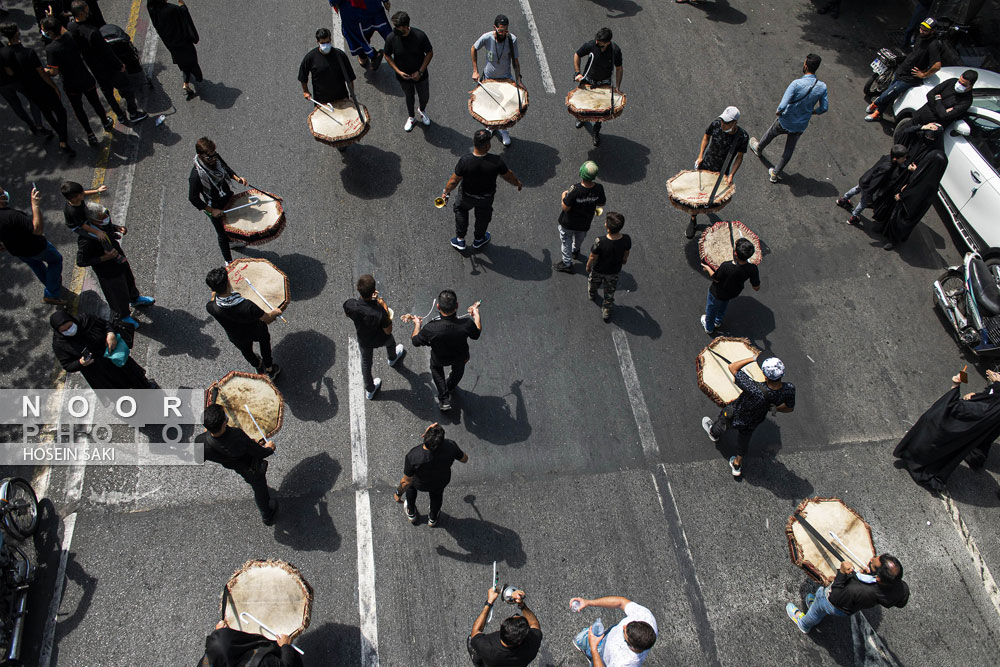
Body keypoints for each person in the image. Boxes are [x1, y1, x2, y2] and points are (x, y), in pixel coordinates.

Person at [893, 370, 1000, 491]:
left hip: (939, 439)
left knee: (932, 426)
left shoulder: (982, 409)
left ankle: (915, 458)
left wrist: (956, 386)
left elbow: (953, 409)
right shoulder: (993, 407)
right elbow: (990, 397)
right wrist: (979, 393)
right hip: (977, 424)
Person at [64, 181, 151, 328]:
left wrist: (117, 228)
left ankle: (134, 298)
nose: (106, 222)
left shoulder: (101, 224)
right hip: (108, 272)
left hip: (119, 259)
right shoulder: (87, 240)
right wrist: (105, 257)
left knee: (129, 279)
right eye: (102, 220)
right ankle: (123, 316)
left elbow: (107, 226)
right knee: (117, 294)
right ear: (93, 223)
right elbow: (81, 261)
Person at [702, 355, 795, 478]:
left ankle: (713, 433)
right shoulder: (789, 389)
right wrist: (775, 408)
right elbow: (789, 408)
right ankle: (737, 464)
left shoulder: (754, 388)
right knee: (745, 439)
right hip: (755, 420)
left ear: (766, 376)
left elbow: (733, 367)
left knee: (722, 423)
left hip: (736, 414)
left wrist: (753, 358)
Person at [749, 53, 828, 183]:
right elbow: (824, 108)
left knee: (770, 134)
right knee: (789, 149)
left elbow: (783, 105)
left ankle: (758, 148)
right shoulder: (822, 87)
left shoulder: (796, 84)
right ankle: (775, 173)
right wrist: (811, 112)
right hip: (800, 125)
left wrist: (779, 111)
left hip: (786, 120)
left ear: (805, 65)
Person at [195, 404, 278, 525]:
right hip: (249, 465)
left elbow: (199, 459)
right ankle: (267, 515)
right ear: (224, 423)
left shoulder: (200, 440)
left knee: (249, 479)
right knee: (259, 488)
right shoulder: (237, 436)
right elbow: (259, 452)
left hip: (234, 465)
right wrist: (269, 449)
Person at [441, 129, 523, 251]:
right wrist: (517, 183)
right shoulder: (496, 161)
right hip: (486, 198)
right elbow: (508, 176)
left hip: (466, 195)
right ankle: (479, 239)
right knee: (483, 218)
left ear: (474, 143)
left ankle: (460, 240)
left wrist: (445, 192)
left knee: (461, 210)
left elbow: (453, 181)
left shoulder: (465, 161)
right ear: (488, 145)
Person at [66, 0, 146, 123]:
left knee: (109, 94)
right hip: (110, 68)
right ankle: (134, 113)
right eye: (86, 11)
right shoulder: (93, 32)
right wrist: (120, 65)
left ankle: (120, 116)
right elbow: (107, 52)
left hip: (95, 69)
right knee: (127, 89)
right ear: (81, 14)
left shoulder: (71, 27)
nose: (89, 12)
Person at [0, 21, 73, 153]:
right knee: (60, 112)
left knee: (44, 112)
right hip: (40, 86)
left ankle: (51, 131)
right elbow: (42, 74)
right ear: (17, 32)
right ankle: (62, 138)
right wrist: (54, 86)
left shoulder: (4, 53)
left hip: (26, 87)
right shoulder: (28, 52)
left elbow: (10, 72)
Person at [786, 554, 908, 633]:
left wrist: (842, 573)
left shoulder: (857, 590)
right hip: (850, 605)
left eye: (872, 564)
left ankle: (804, 624)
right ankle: (816, 607)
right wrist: (866, 573)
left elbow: (834, 595)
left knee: (819, 606)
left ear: (878, 578)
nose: (870, 559)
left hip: (833, 602)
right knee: (819, 604)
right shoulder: (896, 586)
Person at [402, 289, 481, 411]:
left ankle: (444, 399)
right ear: (457, 306)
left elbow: (415, 341)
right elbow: (476, 334)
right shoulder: (466, 324)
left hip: (439, 358)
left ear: (438, 306)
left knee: (436, 370)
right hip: (460, 356)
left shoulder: (431, 328)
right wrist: (476, 316)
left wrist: (417, 324)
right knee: (458, 371)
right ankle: (451, 386)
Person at [42, 15, 109, 146]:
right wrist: (52, 18)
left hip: (71, 84)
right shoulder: (70, 37)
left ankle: (90, 134)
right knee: (96, 102)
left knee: (79, 109)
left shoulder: (51, 49)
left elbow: (53, 72)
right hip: (85, 77)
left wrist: (44, 71)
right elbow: (63, 30)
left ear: (49, 32)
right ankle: (105, 121)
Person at [205, 266, 283, 378]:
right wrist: (275, 312)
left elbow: (213, 298)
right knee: (264, 342)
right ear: (228, 284)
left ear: (212, 289)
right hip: (256, 330)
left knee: (246, 351)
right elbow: (267, 319)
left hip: (236, 336)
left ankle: (258, 365)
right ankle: (270, 368)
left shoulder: (211, 307)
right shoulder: (248, 306)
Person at [50, 310, 153, 389]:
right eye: (64, 330)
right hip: (99, 371)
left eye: (70, 326)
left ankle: (145, 386)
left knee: (133, 375)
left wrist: (110, 333)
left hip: (113, 355)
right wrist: (80, 363)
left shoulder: (86, 320)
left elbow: (106, 324)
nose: (69, 330)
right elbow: (67, 365)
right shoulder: (60, 344)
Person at [343, 273, 406, 400]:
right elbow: (388, 330)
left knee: (366, 364)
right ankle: (392, 358)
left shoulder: (351, 305)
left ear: (358, 289)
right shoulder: (380, 313)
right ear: (373, 291)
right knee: (391, 343)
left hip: (364, 340)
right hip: (381, 337)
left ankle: (370, 389)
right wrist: (381, 303)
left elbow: (348, 313)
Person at [0, 185, 66, 305]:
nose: (4, 192)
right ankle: (51, 293)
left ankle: (51, 284)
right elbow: (37, 230)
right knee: (55, 260)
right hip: (37, 247)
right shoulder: (13, 216)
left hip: (18, 251)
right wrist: (35, 205)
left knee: (36, 266)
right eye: (1, 192)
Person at [392, 422, 468, 526]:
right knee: (437, 496)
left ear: (424, 436)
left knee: (410, 488)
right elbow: (464, 459)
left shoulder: (414, 456)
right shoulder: (451, 446)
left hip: (420, 484)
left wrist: (398, 493)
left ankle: (411, 513)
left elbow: (406, 482)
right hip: (441, 481)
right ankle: (433, 518)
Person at [187, 137, 250, 263]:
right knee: (222, 234)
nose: (214, 158)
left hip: (227, 197)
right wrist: (212, 210)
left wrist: (237, 178)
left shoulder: (215, 158)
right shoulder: (195, 176)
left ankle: (231, 242)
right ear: (200, 155)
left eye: (214, 154)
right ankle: (228, 261)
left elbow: (226, 168)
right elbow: (193, 198)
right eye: (210, 156)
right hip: (214, 205)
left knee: (232, 223)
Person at [866, 18, 941, 122]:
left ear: (933, 31)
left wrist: (923, 75)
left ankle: (875, 104)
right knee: (889, 92)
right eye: (921, 28)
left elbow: (937, 65)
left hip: (909, 78)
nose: (921, 31)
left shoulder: (934, 44)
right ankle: (878, 113)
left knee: (888, 93)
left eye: (925, 30)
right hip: (902, 69)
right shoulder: (920, 37)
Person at [689, 105, 748, 238]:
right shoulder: (716, 124)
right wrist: (700, 155)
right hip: (706, 166)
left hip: (721, 173)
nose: (723, 124)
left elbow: (739, 157)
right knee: (697, 195)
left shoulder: (742, 137)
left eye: (726, 122)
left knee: (713, 199)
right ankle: (693, 219)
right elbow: (706, 136)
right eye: (722, 120)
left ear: (735, 123)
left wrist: (731, 175)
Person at [882, 149, 947, 250]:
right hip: (909, 200)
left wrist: (902, 195)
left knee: (900, 221)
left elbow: (917, 192)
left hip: (910, 205)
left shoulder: (929, 183)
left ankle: (893, 241)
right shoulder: (931, 175)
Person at [471, 14, 520, 146]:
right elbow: (473, 48)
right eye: (500, 31)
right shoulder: (486, 37)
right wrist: (475, 70)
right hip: (489, 79)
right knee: (491, 105)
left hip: (505, 80)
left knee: (504, 106)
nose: (503, 33)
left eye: (505, 30)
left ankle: (504, 130)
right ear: (495, 28)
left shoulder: (512, 40)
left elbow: (515, 61)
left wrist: (519, 80)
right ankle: (491, 127)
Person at [569, 595, 657, 667]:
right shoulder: (645, 617)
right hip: (605, 640)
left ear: (631, 646)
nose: (624, 626)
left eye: (624, 633)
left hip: (603, 662)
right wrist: (588, 602)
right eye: (629, 624)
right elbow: (621, 603)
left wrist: (594, 648)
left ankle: (592, 655)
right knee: (581, 639)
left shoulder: (625, 663)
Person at [382, 11, 433, 132]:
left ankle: (422, 110)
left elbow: (429, 53)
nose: (395, 29)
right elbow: (387, 55)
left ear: (405, 26)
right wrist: (398, 71)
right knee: (409, 97)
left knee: (424, 96)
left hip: (421, 75)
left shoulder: (420, 36)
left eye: (397, 27)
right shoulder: (391, 38)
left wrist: (420, 72)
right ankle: (411, 117)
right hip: (403, 77)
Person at [837, 144, 912, 226]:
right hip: (869, 186)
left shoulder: (887, 157)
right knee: (863, 203)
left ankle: (843, 200)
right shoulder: (888, 168)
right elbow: (877, 180)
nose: (905, 159)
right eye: (903, 158)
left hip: (865, 179)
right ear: (895, 158)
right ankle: (854, 217)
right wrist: (870, 192)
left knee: (856, 189)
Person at [573, 27, 622, 146]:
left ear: (608, 42)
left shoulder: (615, 51)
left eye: (601, 45)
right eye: (597, 43)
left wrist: (618, 88)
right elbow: (577, 54)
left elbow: (619, 68)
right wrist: (577, 72)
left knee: (601, 112)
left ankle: (596, 130)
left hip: (604, 84)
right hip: (588, 80)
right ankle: (581, 119)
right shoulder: (591, 45)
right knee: (583, 105)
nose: (598, 46)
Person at [468, 587, 542, 667]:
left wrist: (489, 602)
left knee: (474, 646)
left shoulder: (486, 646)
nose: (516, 615)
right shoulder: (532, 644)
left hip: (488, 661)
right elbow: (534, 624)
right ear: (519, 641)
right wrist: (521, 604)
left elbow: (475, 632)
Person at [554, 160, 606, 273]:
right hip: (585, 223)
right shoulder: (599, 188)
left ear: (581, 173)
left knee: (566, 240)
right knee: (579, 238)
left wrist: (563, 195)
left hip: (568, 223)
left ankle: (567, 263)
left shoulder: (575, 189)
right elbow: (601, 204)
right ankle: (575, 250)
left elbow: (565, 207)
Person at [700, 237, 759, 334]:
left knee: (711, 308)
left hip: (717, 292)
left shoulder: (726, 266)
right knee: (723, 305)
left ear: (735, 253)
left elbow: (716, 278)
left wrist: (707, 268)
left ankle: (709, 327)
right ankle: (718, 321)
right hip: (733, 292)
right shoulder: (753, 269)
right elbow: (756, 287)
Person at [147, 0, 203, 100]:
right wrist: (183, 5)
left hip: (170, 43)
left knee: (182, 61)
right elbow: (185, 18)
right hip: (183, 41)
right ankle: (189, 81)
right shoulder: (172, 9)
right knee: (191, 61)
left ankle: (186, 81)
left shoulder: (152, 9)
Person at [587, 211, 630, 323]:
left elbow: (592, 256)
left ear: (607, 226)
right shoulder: (626, 239)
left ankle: (592, 294)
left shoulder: (600, 241)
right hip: (613, 271)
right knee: (609, 292)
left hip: (598, 270)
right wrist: (624, 260)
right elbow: (626, 252)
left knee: (593, 283)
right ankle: (606, 310)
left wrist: (588, 266)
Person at [0, 39, 47, 135]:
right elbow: (6, 62)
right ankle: (38, 124)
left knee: (16, 105)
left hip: (2, 85)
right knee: (32, 98)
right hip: (14, 80)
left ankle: (31, 125)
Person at [199, 623, 302, 667]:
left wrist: (220, 632)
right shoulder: (261, 663)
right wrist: (285, 646)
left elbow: (218, 649)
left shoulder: (209, 660)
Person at [299, 27, 356, 105]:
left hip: (341, 98)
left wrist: (352, 95)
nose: (325, 45)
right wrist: (305, 91)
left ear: (330, 40)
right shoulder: (310, 58)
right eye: (322, 43)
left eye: (327, 42)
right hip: (321, 101)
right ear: (318, 42)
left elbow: (349, 77)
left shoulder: (340, 55)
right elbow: (303, 75)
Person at [329, 0, 391, 71]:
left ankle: (368, 54)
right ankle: (395, 46)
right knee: (374, 26)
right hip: (372, 6)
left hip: (353, 11)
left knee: (355, 35)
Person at [909, 70, 977, 127]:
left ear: (970, 86)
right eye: (959, 81)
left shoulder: (967, 101)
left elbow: (944, 116)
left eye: (963, 85)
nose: (959, 85)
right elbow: (930, 94)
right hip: (919, 116)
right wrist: (942, 110)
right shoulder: (952, 82)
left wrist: (938, 99)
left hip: (931, 128)